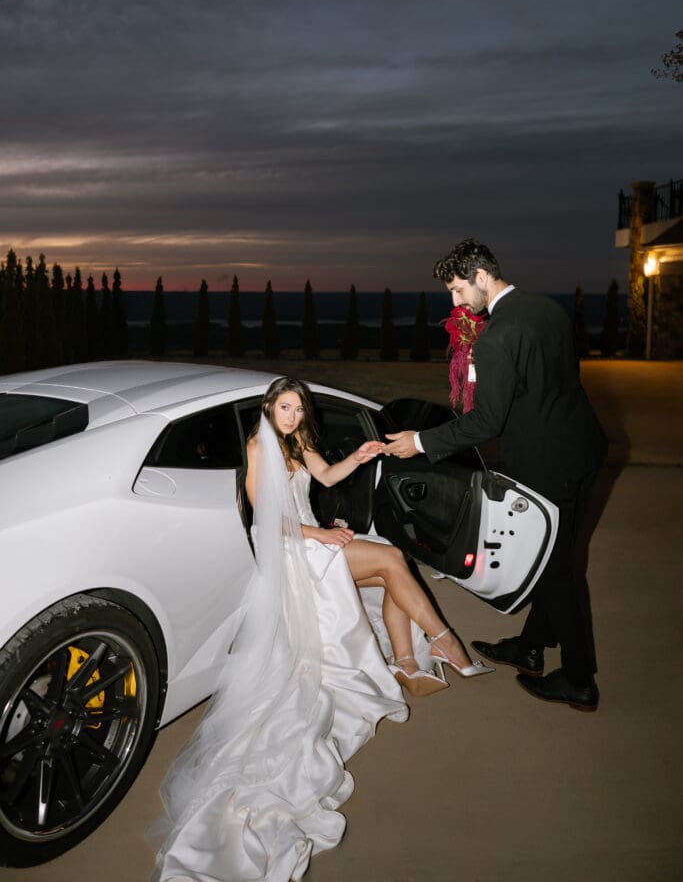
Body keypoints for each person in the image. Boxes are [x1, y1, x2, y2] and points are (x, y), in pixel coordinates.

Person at [152, 377, 491, 882]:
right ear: (269, 407)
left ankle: (405, 662)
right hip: (291, 549)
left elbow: (327, 479)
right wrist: (324, 534)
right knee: (393, 559)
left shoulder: (298, 440)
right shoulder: (257, 445)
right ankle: (448, 647)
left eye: (296, 408)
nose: (290, 416)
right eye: (283, 407)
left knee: (388, 572)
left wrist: (361, 455)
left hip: (311, 537)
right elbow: (268, 518)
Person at [384, 238, 607, 712]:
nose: (456, 302)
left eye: (459, 290)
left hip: (549, 464)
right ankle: (529, 646)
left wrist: (420, 442)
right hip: (586, 447)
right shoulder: (548, 310)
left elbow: (486, 423)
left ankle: (579, 679)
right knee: (561, 553)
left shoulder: (497, 338)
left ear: (482, 276)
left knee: (556, 571)